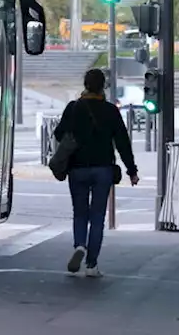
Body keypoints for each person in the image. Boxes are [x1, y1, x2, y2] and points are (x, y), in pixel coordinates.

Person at [53, 68, 138, 278]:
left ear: (85, 84)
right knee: (98, 216)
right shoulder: (110, 110)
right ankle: (91, 264)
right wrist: (132, 170)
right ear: (103, 86)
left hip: (77, 168)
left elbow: (58, 133)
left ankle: (79, 245)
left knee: (80, 212)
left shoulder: (74, 108)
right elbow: (122, 142)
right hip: (103, 169)